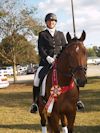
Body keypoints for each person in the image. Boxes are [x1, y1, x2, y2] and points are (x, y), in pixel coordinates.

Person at [30, 13, 84, 113]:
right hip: (46, 62)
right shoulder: (42, 34)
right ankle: (35, 103)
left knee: (73, 76)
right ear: (46, 22)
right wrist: (48, 58)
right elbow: (40, 49)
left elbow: (65, 48)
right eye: (49, 21)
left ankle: (77, 100)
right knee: (37, 78)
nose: (51, 22)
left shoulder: (60, 34)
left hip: (60, 62)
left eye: (53, 21)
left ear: (56, 22)